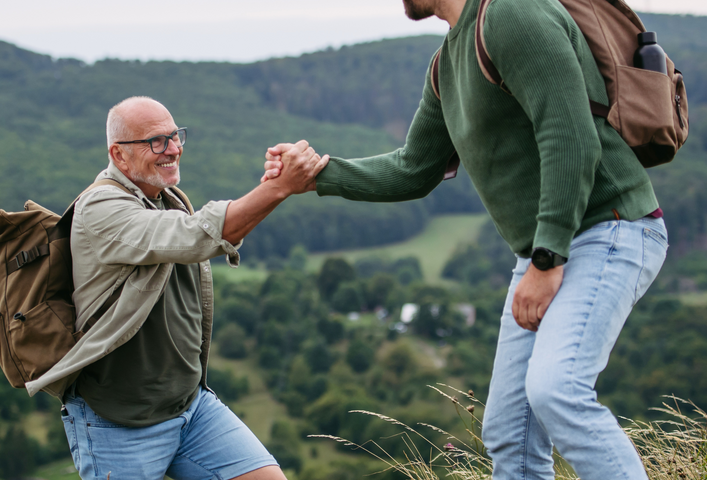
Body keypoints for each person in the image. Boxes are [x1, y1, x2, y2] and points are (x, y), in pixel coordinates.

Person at [262, 0, 668, 477]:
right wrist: (317, 174)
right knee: (509, 432)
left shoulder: (512, 14)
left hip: (607, 228)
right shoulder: (448, 62)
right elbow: (414, 168)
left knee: (557, 391)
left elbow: (571, 134)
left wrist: (547, 260)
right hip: (547, 250)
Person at [26, 96, 328, 480]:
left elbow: (204, 232)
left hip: (191, 408)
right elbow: (197, 236)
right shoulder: (100, 208)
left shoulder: (163, 198)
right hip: (119, 421)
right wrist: (280, 187)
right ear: (119, 155)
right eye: (156, 141)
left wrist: (276, 183)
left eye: (175, 136)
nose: (173, 149)